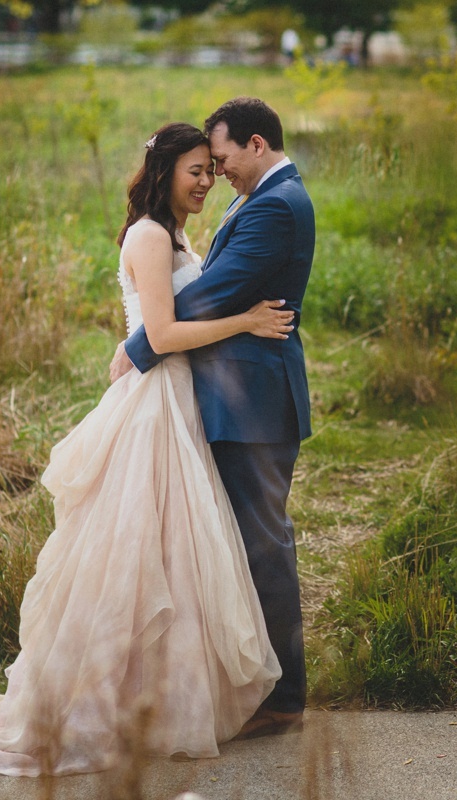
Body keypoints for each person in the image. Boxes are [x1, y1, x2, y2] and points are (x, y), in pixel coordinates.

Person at [0, 122, 292, 775]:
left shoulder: (176, 234)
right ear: (164, 171)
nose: (206, 181)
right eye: (196, 169)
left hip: (177, 402)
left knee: (175, 554)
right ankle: (110, 700)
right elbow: (159, 332)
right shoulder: (151, 235)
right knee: (138, 553)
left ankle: (161, 697)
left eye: (210, 171)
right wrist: (247, 321)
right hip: (154, 404)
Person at [110, 96, 314, 739]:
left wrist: (137, 344)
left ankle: (283, 697)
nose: (216, 173)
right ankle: (220, 682)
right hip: (226, 397)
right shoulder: (255, 198)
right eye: (202, 165)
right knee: (218, 545)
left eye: (220, 160)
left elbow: (212, 290)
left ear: (256, 144)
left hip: (253, 402)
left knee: (262, 546)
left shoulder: (276, 204)